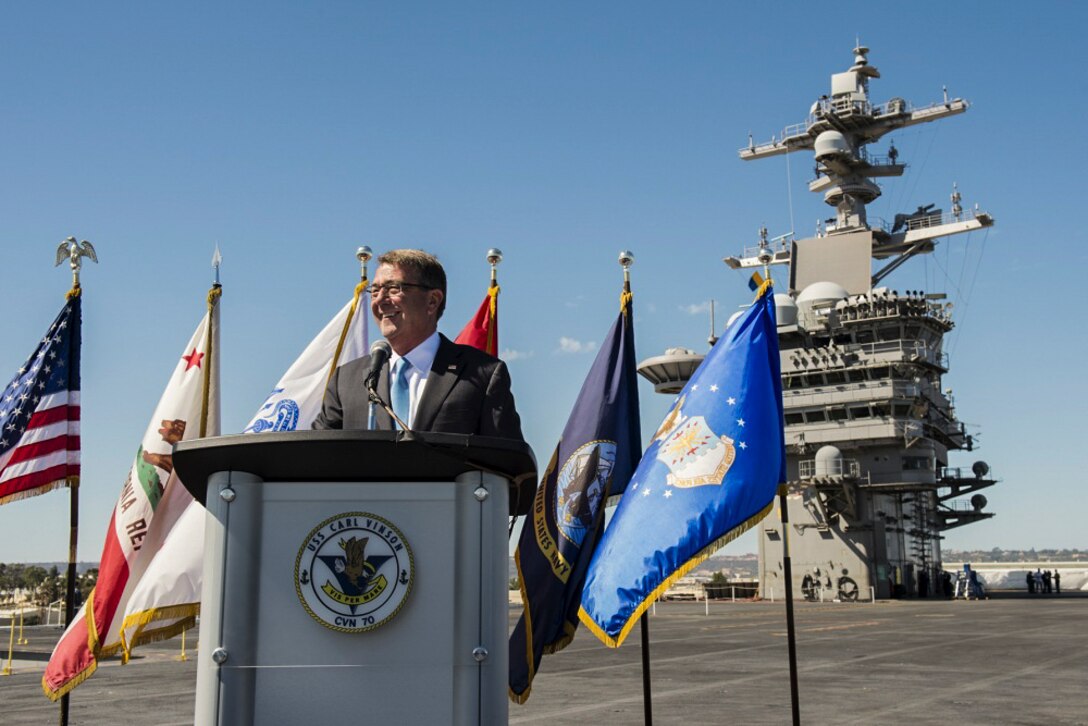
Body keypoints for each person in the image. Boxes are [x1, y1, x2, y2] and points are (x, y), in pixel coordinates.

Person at [314, 249, 523, 440]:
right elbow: (314, 455)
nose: (380, 300)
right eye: (375, 290)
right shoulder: (346, 380)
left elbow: (507, 461)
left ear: (432, 301)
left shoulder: (482, 374)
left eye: (393, 289)